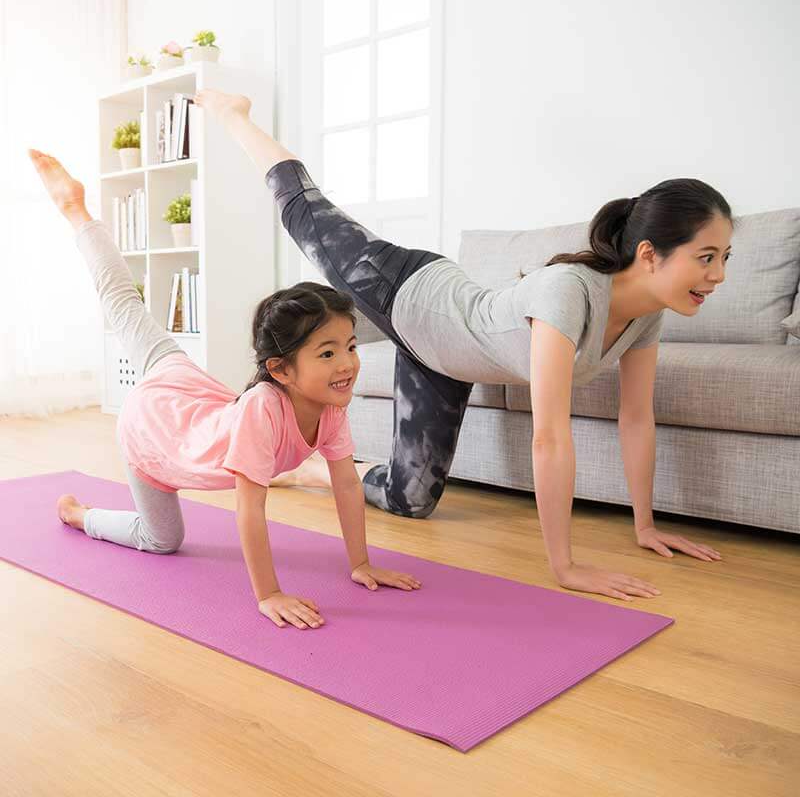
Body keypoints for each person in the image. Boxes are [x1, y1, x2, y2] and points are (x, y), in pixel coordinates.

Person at [192, 88, 725, 603]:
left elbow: (635, 418)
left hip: (443, 360)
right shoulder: (571, 294)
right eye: (706, 257)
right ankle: (234, 114)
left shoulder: (646, 318)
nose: (718, 274)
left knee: (412, 500)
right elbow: (550, 438)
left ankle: (304, 470)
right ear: (651, 254)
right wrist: (565, 567)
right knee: (305, 210)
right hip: (406, 289)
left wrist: (646, 526)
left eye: (725, 256)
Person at [27, 148, 421, 632]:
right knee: (161, 539)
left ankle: (76, 210)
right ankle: (81, 516)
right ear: (281, 370)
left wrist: (360, 563)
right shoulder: (262, 409)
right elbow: (251, 512)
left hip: (182, 384)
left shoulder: (328, 402)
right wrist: (269, 594)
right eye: (327, 353)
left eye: (351, 347)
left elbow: (344, 482)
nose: (347, 365)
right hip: (154, 429)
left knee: (127, 307)